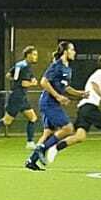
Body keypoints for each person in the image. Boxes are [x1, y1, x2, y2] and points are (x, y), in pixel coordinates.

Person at [57, 54, 101, 168]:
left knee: (80, 136)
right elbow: (94, 85)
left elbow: (98, 93)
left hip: (84, 108)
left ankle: (54, 147)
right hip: (89, 107)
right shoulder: (99, 73)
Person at [26, 42, 83, 170]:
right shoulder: (56, 65)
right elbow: (43, 82)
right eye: (72, 49)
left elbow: (65, 88)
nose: (74, 52)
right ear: (65, 52)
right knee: (68, 128)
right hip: (48, 103)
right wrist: (58, 96)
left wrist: (80, 94)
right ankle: (42, 148)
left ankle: (31, 161)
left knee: (48, 133)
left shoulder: (68, 69)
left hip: (52, 103)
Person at [0, 45, 39, 147]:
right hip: (17, 97)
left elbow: (8, 75)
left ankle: (30, 142)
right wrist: (32, 83)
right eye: (34, 54)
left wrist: (25, 80)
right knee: (6, 121)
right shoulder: (25, 67)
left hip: (21, 97)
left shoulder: (20, 65)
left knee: (33, 118)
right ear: (28, 55)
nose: (36, 57)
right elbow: (23, 83)